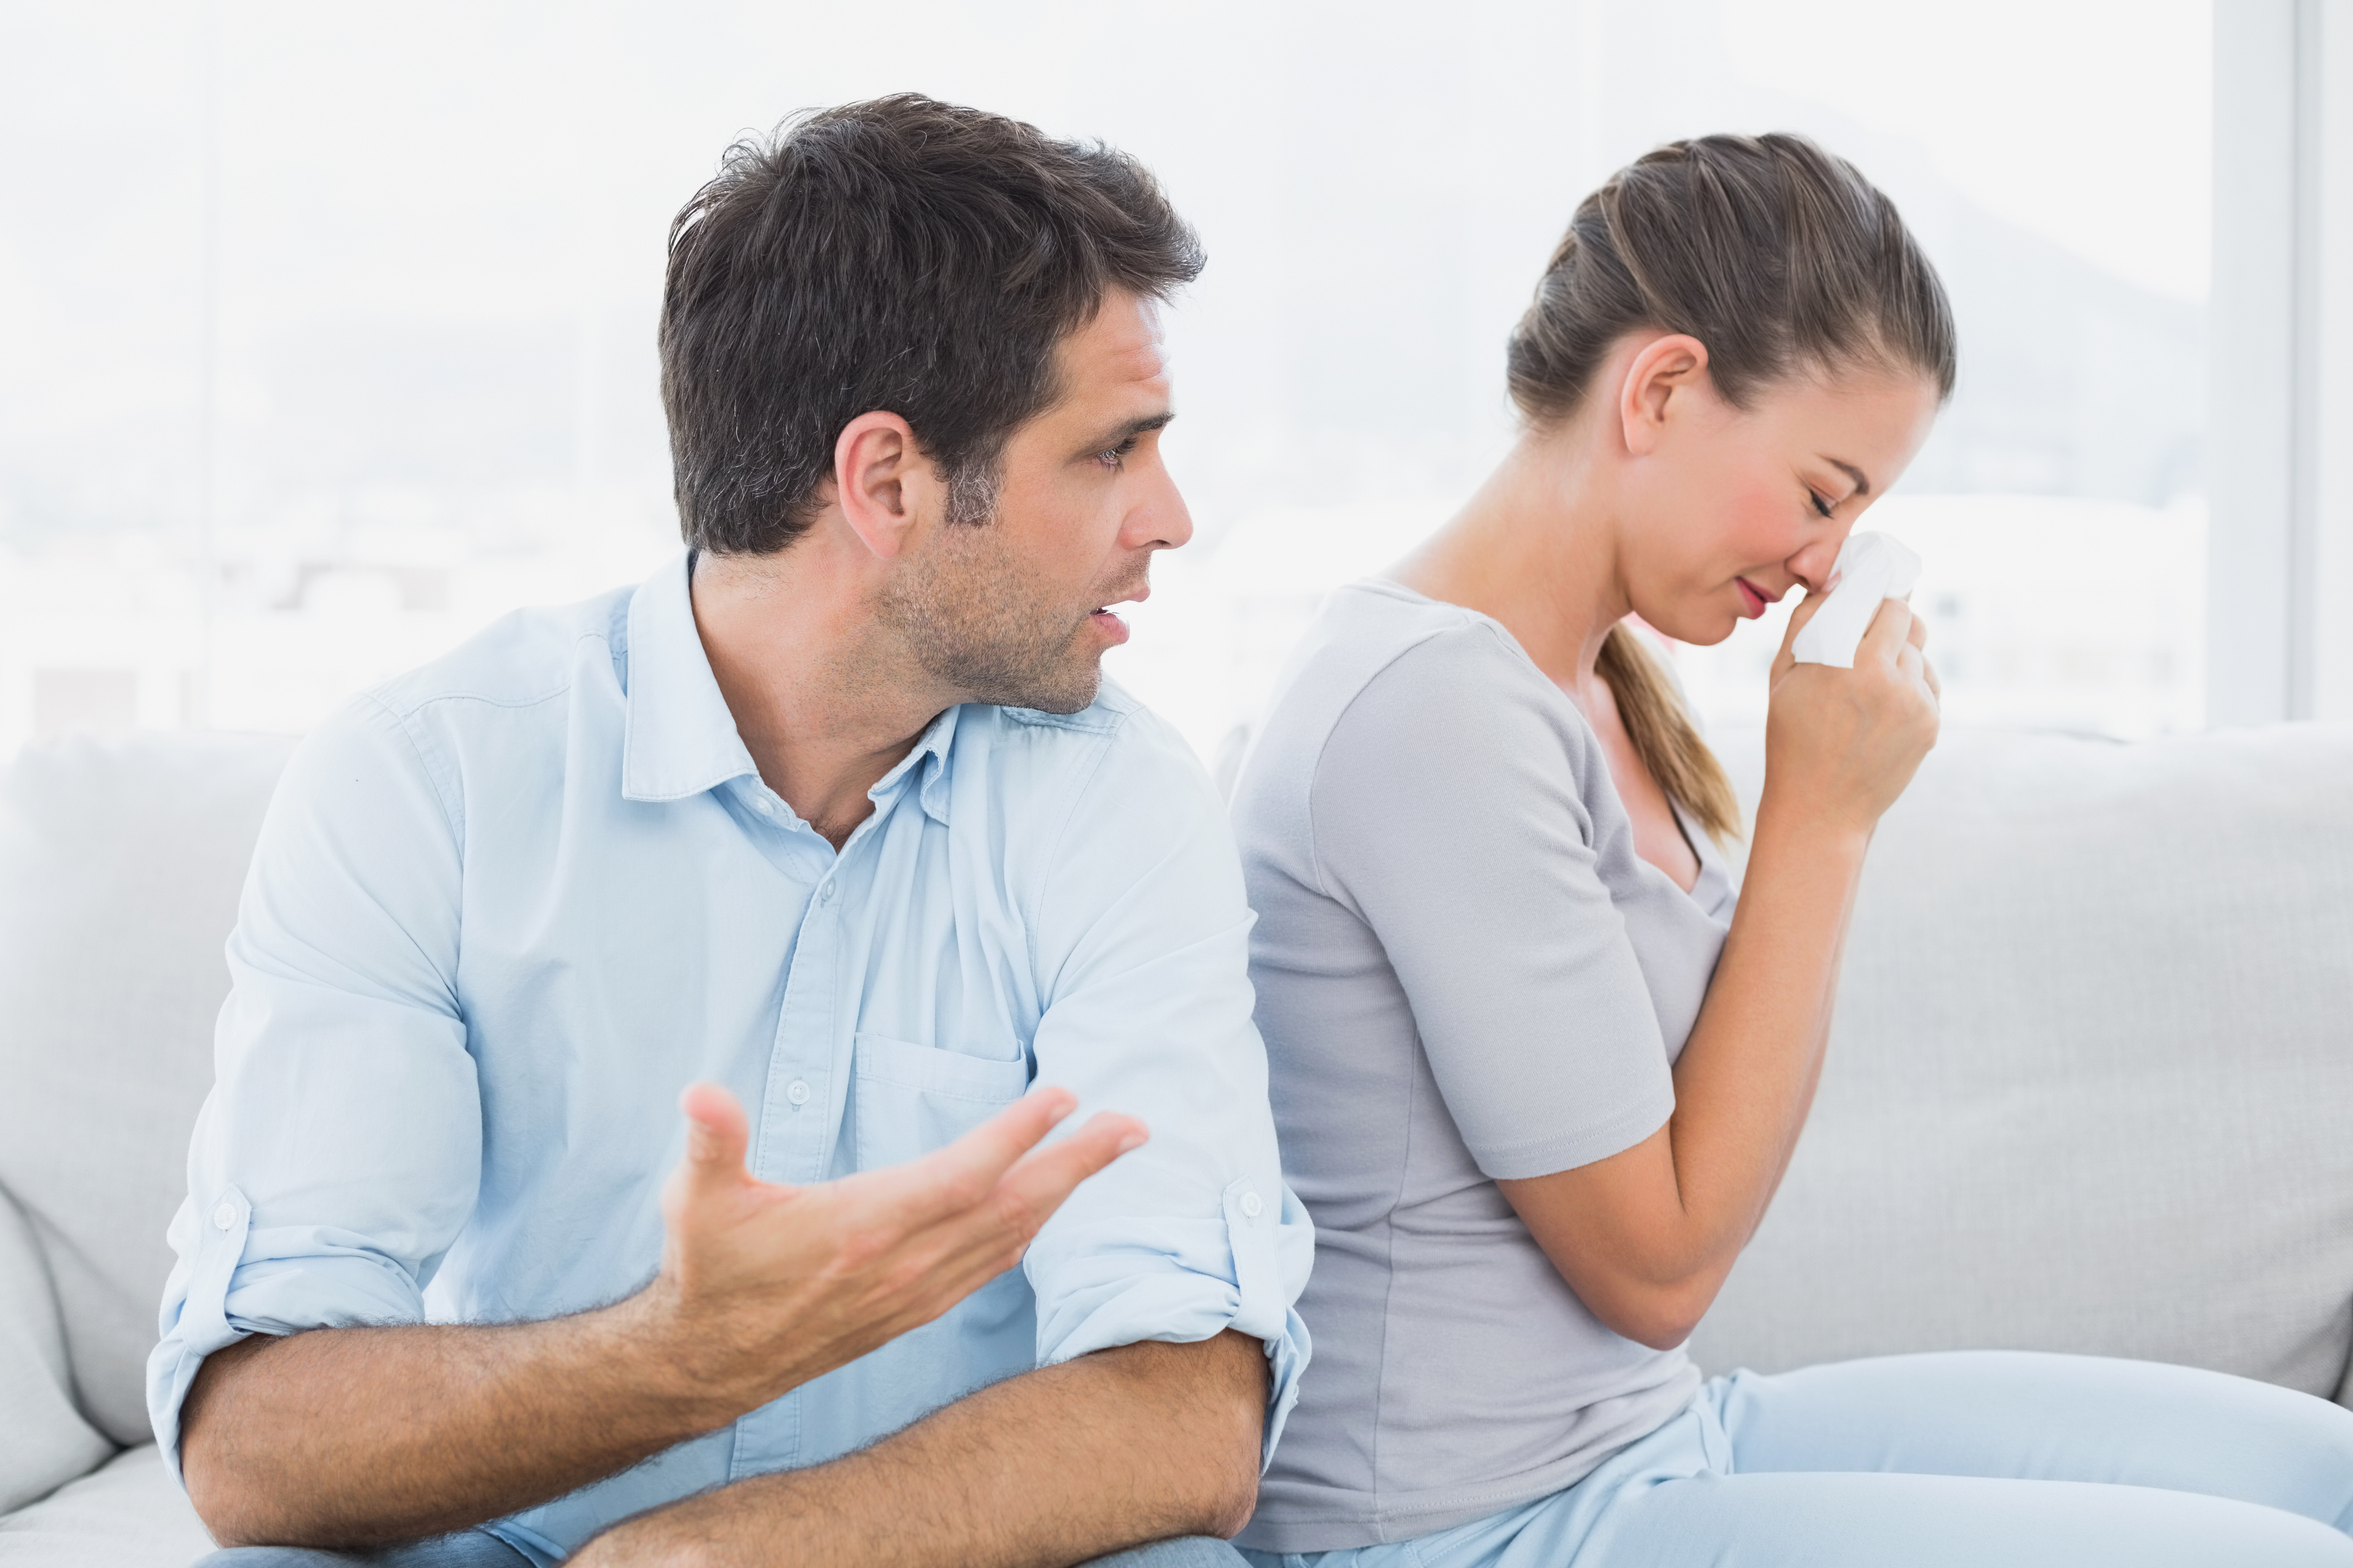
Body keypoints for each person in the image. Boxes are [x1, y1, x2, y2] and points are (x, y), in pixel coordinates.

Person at [153, 95, 1311, 1568]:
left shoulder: (1119, 801)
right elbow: (252, 1445)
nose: (1170, 516)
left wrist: (718, 1553)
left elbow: (1187, 1412)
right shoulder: (427, 780)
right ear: (886, 482)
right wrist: (680, 1356)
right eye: (1110, 451)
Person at [1227, 133, 2353, 1567]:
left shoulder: (1585, 677)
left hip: (1651, 1434)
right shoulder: (1430, 711)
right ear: (1660, 390)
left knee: (2325, 1477)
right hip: (1474, 1524)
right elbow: (1658, 1270)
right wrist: (1823, 816)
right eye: (1824, 494)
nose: (1828, 561)